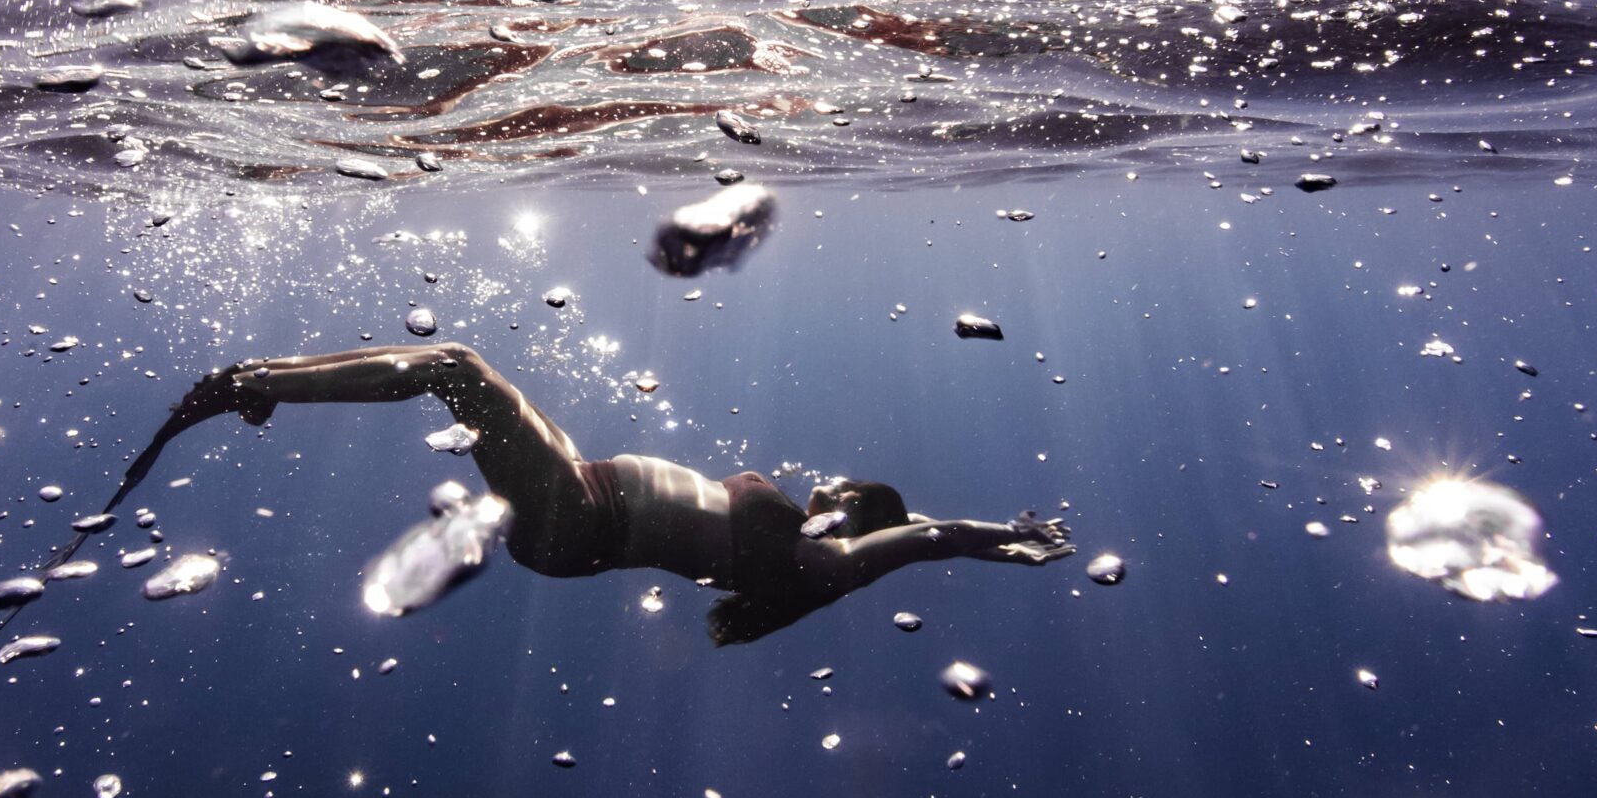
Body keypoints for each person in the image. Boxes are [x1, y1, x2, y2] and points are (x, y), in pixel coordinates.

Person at [118, 342, 1075, 644]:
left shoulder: (826, 563)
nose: (824, 481)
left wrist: (1005, 537)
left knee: (456, 368)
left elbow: (932, 535)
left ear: (856, 513)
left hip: (583, 519)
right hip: (585, 497)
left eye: (841, 488)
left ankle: (248, 387)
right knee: (475, 382)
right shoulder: (802, 549)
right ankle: (256, 384)